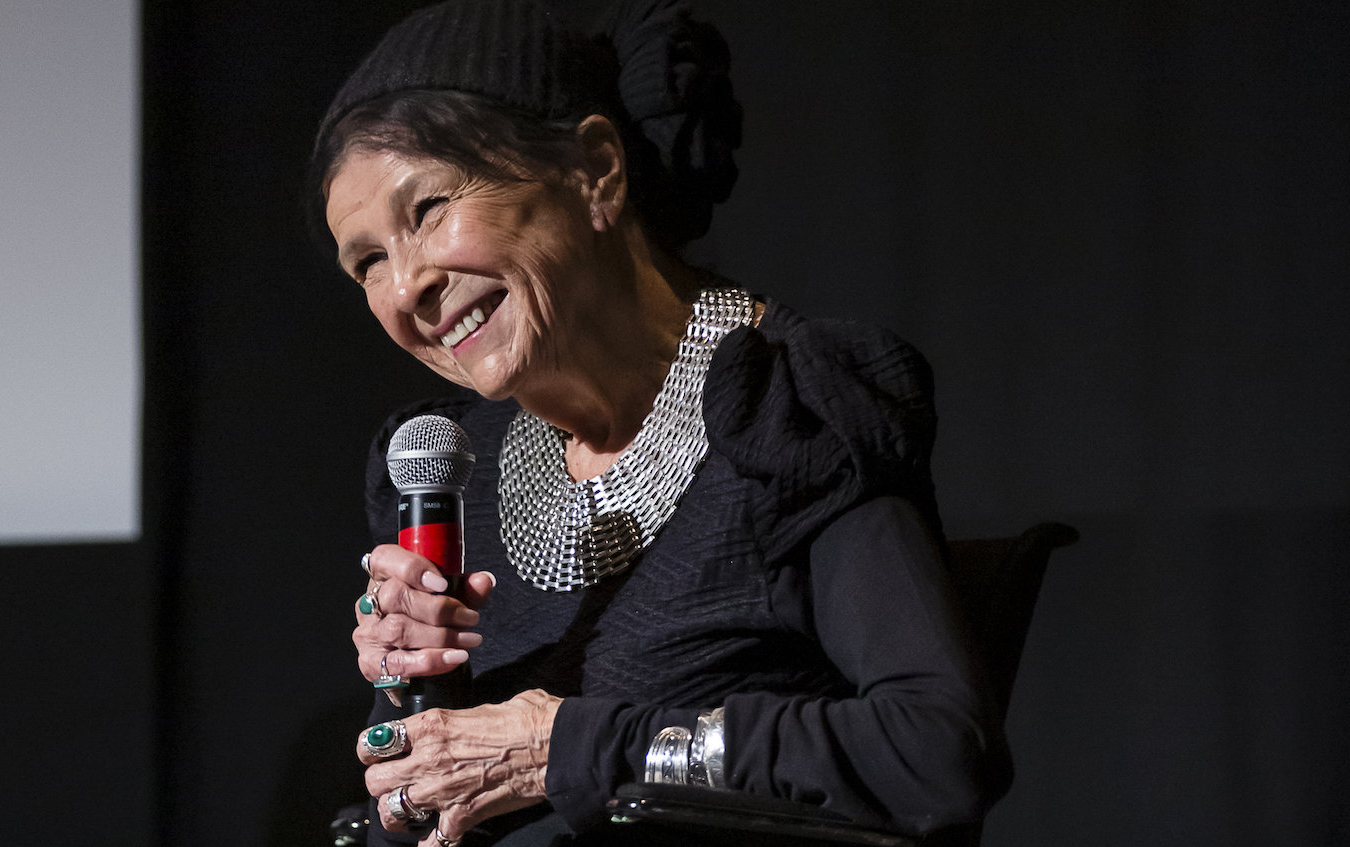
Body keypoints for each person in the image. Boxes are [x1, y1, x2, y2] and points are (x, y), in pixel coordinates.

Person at [312, 1, 1012, 845]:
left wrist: (569, 744)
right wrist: (411, 704)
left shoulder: (789, 408)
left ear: (597, 171)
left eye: (427, 210)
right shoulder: (455, 469)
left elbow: (934, 750)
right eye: (368, 262)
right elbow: (415, 816)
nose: (404, 286)